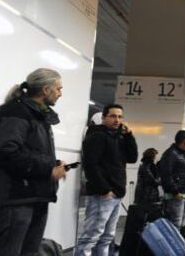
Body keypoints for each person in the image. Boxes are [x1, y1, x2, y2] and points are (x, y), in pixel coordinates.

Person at [0, 68, 67, 256]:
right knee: (7, 251)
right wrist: (48, 170)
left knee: (27, 252)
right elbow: (5, 153)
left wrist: (53, 163)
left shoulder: (38, 115)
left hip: (35, 195)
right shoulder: (16, 112)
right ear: (45, 90)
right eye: (58, 89)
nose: (60, 94)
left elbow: (30, 151)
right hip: (17, 199)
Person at [74, 104, 138, 256]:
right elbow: (90, 165)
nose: (117, 120)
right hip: (102, 194)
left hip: (115, 193)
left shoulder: (118, 137)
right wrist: (104, 189)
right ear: (103, 118)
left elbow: (132, 158)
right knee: (91, 237)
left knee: (107, 237)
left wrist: (129, 136)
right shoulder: (97, 136)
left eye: (120, 116)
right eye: (113, 116)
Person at [159, 130, 185, 229]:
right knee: (175, 224)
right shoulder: (170, 154)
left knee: (180, 224)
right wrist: (175, 192)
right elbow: (166, 175)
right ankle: (171, 244)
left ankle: (175, 243)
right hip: (176, 195)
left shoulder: (184, 154)